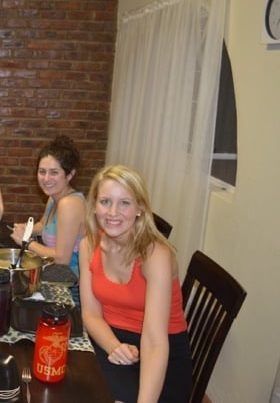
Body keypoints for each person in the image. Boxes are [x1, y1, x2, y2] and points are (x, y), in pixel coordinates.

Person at [79, 165, 192, 402]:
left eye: (124, 203)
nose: (113, 212)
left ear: (140, 208)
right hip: (111, 338)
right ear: (94, 206)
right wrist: (113, 346)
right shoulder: (88, 246)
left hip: (161, 350)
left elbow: (155, 341)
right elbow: (90, 314)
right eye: (105, 201)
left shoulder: (155, 255)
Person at [9, 135, 85, 306]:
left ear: (70, 174)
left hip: (71, 290)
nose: (46, 178)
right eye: (42, 171)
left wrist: (26, 242)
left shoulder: (70, 204)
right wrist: (26, 229)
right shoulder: (54, 197)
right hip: (55, 277)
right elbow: (43, 225)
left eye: (54, 172)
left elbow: (61, 259)